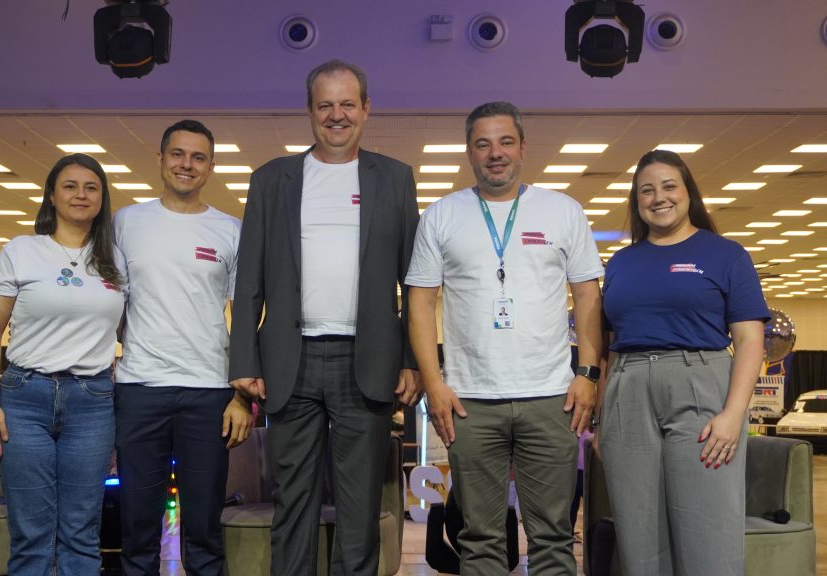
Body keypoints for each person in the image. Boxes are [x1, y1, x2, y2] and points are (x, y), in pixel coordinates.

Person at [229, 59, 421, 576]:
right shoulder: (272, 179)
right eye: (325, 105)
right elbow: (249, 281)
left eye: (347, 104)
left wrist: (411, 359)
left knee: (359, 507)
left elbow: (414, 282)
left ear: (366, 108)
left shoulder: (396, 178)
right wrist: (244, 362)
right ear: (309, 111)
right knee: (294, 500)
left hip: (369, 358)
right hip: (289, 361)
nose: (337, 115)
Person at [406, 101, 604, 575]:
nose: (495, 153)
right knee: (479, 540)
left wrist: (589, 374)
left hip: (551, 398)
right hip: (470, 403)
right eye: (483, 144)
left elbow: (588, 297)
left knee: (554, 537)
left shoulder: (563, 211)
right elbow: (418, 305)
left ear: (522, 148)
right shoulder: (441, 215)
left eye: (505, 142)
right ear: (469, 153)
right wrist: (434, 385)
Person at [597, 149, 768, 576]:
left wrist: (734, 414)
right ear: (637, 202)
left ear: (688, 191)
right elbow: (610, 345)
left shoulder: (726, 255)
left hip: (700, 384)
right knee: (638, 537)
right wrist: (603, 418)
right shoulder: (621, 263)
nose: (659, 197)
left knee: (707, 531)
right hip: (628, 389)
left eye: (669, 186)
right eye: (646, 191)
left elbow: (749, 340)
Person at [0, 153, 126, 575]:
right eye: (70, 186)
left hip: (92, 401)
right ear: (52, 196)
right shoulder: (22, 251)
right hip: (24, 399)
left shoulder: (116, 259)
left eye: (91, 187)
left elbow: (131, 330)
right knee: (31, 534)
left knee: (82, 532)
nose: (81, 194)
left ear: (102, 198)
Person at [113, 119, 252, 576]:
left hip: (208, 392)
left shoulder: (230, 230)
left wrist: (241, 396)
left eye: (198, 157)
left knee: (204, 527)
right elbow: (108, 300)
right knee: (135, 525)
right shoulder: (126, 222)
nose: (186, 165)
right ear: (160, 159)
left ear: (210, 167)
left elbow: (249, 317)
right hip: (139, 389)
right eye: (177, 154)